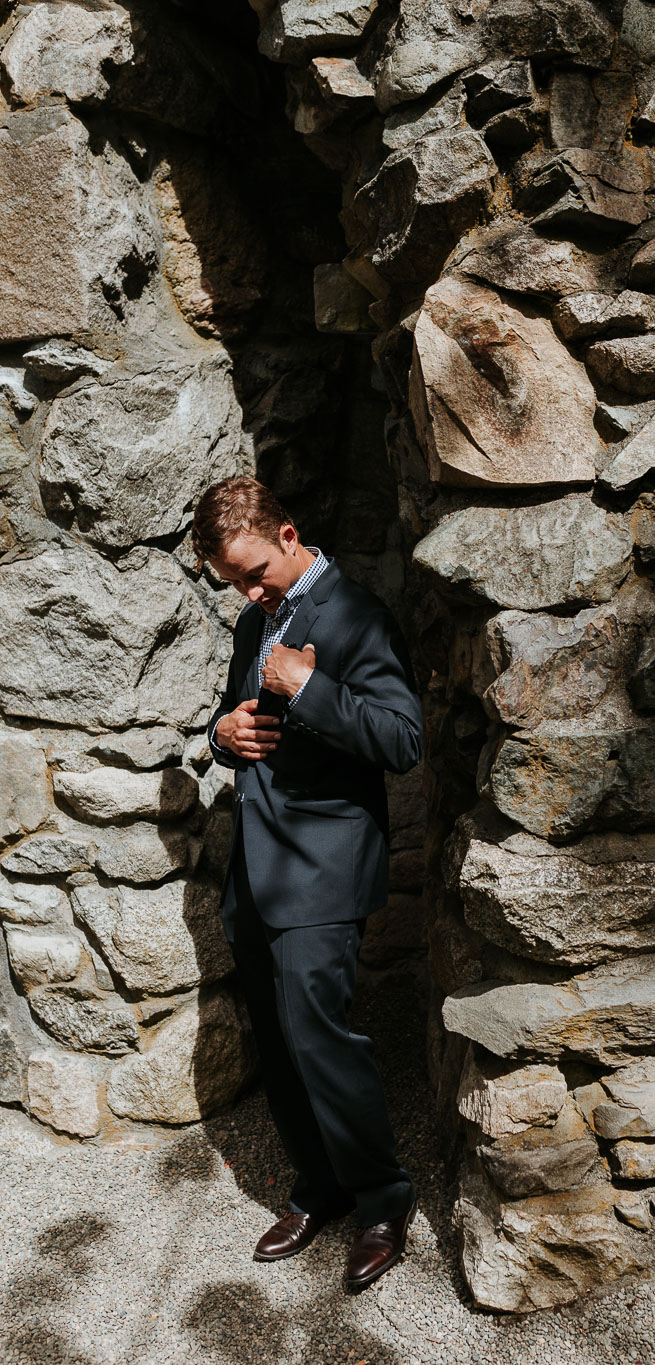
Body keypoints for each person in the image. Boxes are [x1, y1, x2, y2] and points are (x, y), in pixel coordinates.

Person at [192, 475, 423, 1292]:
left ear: (287, 535)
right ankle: (318, 1187)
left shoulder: (357, 614)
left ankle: (383, 1200)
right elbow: (236, 722)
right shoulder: (256, 619)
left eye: (255, 572)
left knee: (321, 1038)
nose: (250, 592)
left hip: (323, 869)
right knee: (281, 1042)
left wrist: (309, 687)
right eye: (234, 582)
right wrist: (221, 734)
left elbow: (402, 739)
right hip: (256, 870)